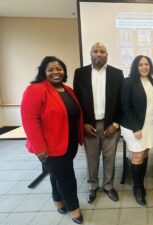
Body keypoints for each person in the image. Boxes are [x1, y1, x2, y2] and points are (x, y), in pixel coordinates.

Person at [21, 56, 84, 224]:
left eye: (59, 69)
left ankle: (58, 201)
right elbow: (29, 120)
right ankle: (74, 209)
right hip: (49, 146)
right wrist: (39, 148)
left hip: (68, 143)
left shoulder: (67, 89)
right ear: (43, 72)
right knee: (67, 177)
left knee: (57, 174)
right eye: (51, 70)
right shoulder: (36, 89)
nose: (56, 72)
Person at [73, 42, 124, 204]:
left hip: (110, 125)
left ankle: (108, 187)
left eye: (102, 51)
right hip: (90, 126)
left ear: (107, 55)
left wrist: (116, 123)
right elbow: (77, 101)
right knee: (91, 158)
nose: (99, 54)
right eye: (95, 51)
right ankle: (93, 187)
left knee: (110, 158)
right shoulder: (80, 74)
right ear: (90, 54)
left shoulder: (117, 74)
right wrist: (83, 124)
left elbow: (121, 101)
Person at [121, 55, 153, 206]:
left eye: (147, 64)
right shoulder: (129, 81)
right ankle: (137, 188)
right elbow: (125, 105)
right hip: (133, 126)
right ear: (135, 67)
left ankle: (141, 183)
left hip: (149, 125)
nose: (144, 67)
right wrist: (136, 127)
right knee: (137, 156)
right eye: (141, 64)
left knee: (145, 153)